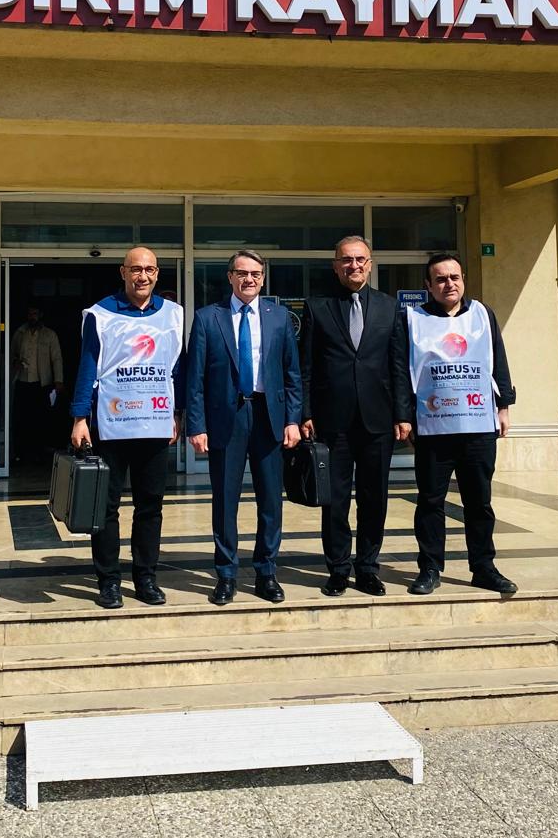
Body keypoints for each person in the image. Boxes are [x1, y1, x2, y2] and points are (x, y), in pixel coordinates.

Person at [70, 247, 184, 610]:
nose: (143, 276)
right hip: (111, 425)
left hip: (155, 424)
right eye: (136, 269)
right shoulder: (101, 314)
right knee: (105, 508)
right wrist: (79, 417)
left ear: (157, 273)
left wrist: (178, 414)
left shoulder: (173, 314)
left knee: (150, 506)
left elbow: (177, 369)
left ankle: (146, 577)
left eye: (149, 269)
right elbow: (88, 365)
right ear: (123, 272)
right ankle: (109, 581)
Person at [186, 248, 302, 605]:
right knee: (225, 500)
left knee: (271, 499)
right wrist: (196, 425)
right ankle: (226, 574)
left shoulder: (279, 317)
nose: (248, 279)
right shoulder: (208, 318)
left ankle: (267, 572)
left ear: (263, 279)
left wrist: (293, 419)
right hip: (227, 418)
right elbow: (195, 378)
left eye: (255, 274)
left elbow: (292, 374)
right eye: (241, 273)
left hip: (269, 417)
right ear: (230, 277)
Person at [300, 236, 412, 596]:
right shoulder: (317, 307)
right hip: (332, 421)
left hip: (378, 420)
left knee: (373, 498)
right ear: (336, 266)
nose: (354, 266)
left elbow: (398, 365)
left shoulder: (389, 307)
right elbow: (306, 367)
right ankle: (337, 569)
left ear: (370, 264)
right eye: (346, 260)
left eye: (360, 259)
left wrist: (403, 413)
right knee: (334, 500)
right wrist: (305, 412)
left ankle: (367, 568)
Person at [405, 252, 517, 597]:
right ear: (428, 285)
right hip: (434, 427)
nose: (449, 284)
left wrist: (504, 405)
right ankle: (430, 568)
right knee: (430, 502)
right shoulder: (413, 319)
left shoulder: (482, 314)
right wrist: (405, 416)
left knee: (479, 502)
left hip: (477, 425)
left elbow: (498, 360)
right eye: (440, 279)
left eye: (454, 277)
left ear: (463, 279)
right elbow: (402, 371)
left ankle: (484, 567)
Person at [10, 303, 63, 465]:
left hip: (42, 382)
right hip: (23, 380)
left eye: (34, 313)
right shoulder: (20, 333)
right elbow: (12, 353)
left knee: (41, 418)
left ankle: (40, 452)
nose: (32, 317)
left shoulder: (49, 335)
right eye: (29, 314)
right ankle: (21, 452)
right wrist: (15, 362)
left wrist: (59, 380)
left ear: (40, 315)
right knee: (22, 418)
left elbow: (56, 358)